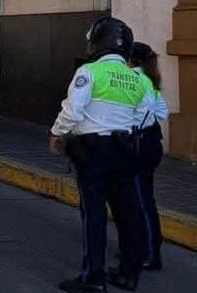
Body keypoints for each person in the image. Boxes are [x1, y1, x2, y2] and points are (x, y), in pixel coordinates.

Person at [48, 17, 153, 292]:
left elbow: (73, 109)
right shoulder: (137, 78)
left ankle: (93, 277)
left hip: (94, 152)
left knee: (94, 214)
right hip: (126, 150)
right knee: (127, 213)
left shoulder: (90, 72)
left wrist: (57, 132)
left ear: (97, 42)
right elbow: (145, 115)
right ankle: (128, 274)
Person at [125, 42, 168, 271]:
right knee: (142, 198)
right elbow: (162, 112)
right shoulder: (150, 81)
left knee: (141, 200)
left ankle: (150, 254)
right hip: (151, 143)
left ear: (130, 59)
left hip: (138, 145)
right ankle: (143, 249)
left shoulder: (132, 79)